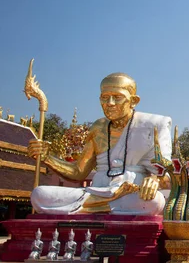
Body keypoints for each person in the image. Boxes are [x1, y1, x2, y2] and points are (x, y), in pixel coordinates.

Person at [28, 73, 172, 215]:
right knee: (39, 194)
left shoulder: (155, 124)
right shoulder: (98, 128)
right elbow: (78, 172)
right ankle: (103, 205)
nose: (109, 103)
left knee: (155, 202)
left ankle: (84, 208)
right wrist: (46, 157)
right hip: (98, 192)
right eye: (104, 97)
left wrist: (155, 180)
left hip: (132, 193)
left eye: (117, 97)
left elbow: (167, 174)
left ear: (133, 101)